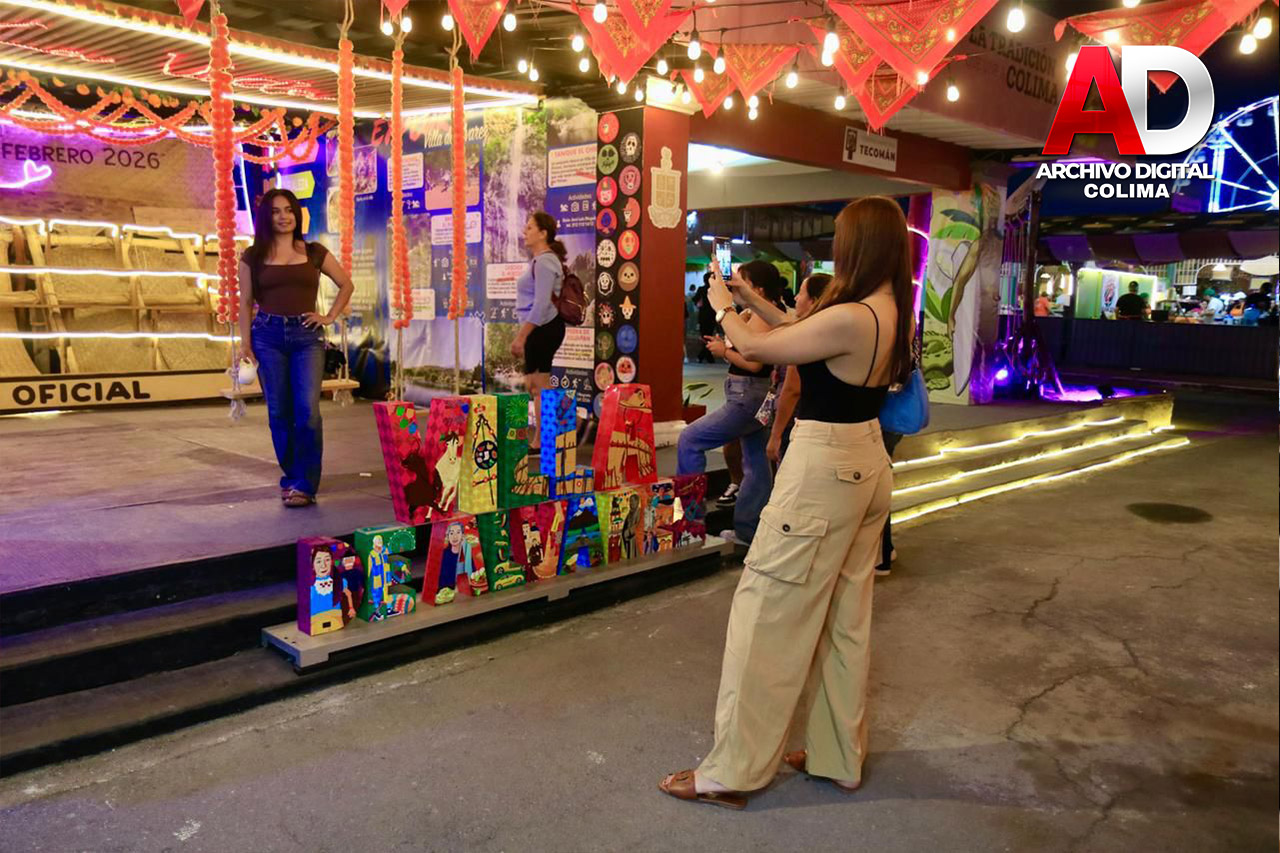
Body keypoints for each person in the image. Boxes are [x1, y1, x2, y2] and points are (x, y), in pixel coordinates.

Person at [659, 196, 913, 808]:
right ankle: (838, 756)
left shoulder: (853, 316)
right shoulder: (887, 310)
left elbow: (763, 348)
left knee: (765, 617)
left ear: (858, 245)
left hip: (824, 471)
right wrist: (751, 297)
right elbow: (800, 332)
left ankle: (733, 771)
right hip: (866, 462)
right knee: (845, 623)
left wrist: (723, 307)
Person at [238, 189, 355, 507]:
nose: (283, 216)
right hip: (267, 336)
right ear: (267, 217)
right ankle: (292, 477)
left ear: (297, 215)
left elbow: (346, 284)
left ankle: (306, 484)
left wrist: (329, 316)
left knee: (307, 412)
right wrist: (245, 344)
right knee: (279, 412)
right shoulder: (252, 256)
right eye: (276, 211)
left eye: (289, 210)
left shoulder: (314, 252)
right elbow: (245, 302)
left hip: (307, 338)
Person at [676, 260, 787, 545]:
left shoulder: (763, 315)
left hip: (746, 396)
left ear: (757, 289)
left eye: (742, 282)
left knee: (690, 439)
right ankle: (749, 530)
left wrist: (724, 351)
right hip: (753, 395)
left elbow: (755, 362)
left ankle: (691, 522)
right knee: (756, 462)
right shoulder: (763, 312)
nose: (735, 287)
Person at [512, 211, 567, 451]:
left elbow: (542, 303)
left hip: (543, 329)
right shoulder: (541, 261)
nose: (525, 232)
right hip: (540, 328)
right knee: (536, 386)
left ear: (543, 233)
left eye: (530, 228)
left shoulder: (545, 262)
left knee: (539, 386)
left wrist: (522, 336)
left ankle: (543, 441)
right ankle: (548, 437)